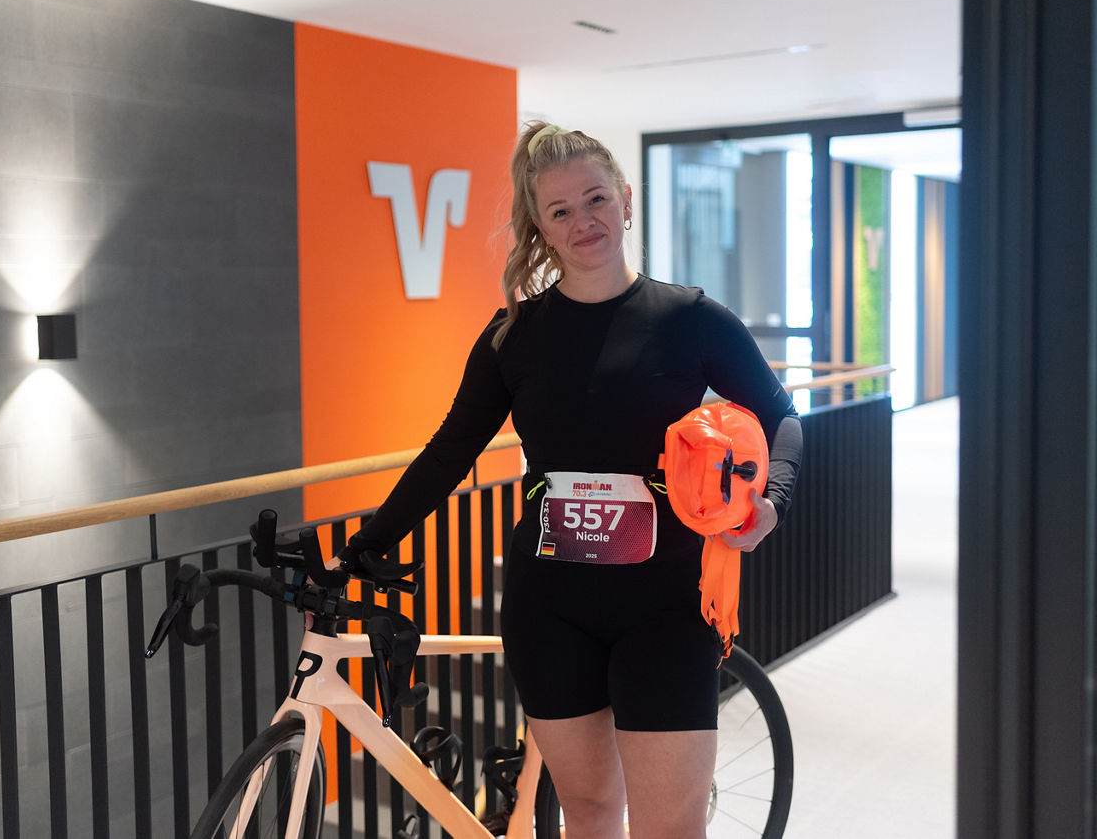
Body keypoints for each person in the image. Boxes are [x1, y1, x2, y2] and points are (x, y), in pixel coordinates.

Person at [334, 122, 803, 838]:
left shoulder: (689, 318)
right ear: (540, 230)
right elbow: (451, 449)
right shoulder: (512, 337)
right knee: (585, 812)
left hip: (668, 603)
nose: (583, 222)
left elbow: (780, 417)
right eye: (560, 211)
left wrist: (773, 502)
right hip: (550, 608)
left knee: (670, 827)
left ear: (626, 201)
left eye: (595, 200)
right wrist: (367, 544)